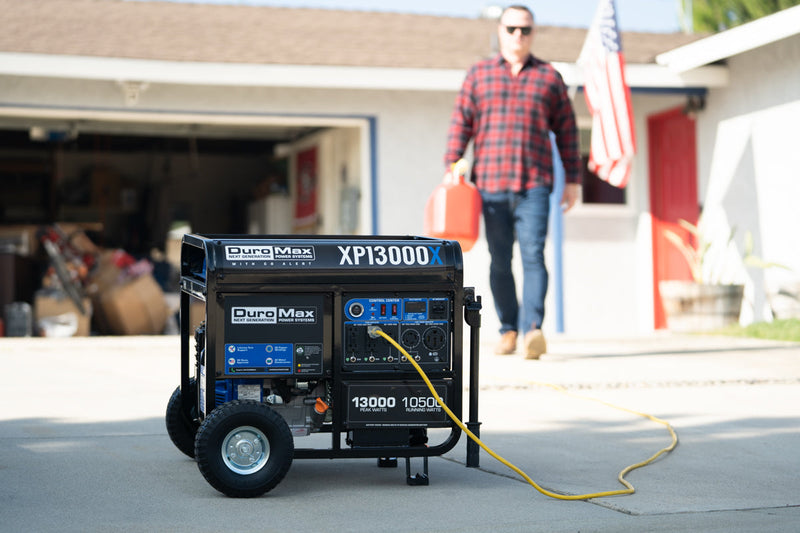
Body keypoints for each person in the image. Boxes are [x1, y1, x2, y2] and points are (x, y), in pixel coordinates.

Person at [444, 4, 582, 359]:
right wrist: (452, 164)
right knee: (500, 260)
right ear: (500, 31)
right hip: (490, 185)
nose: (518, 36)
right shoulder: (479, 75)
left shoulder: (549, 77)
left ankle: (533, 330)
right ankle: (508, 330)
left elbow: (567, 132)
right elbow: (461, 123)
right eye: (512, 29)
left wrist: (573, 180)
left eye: (525, 30)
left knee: (534, 255)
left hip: (535, 184)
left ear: (533, 33)